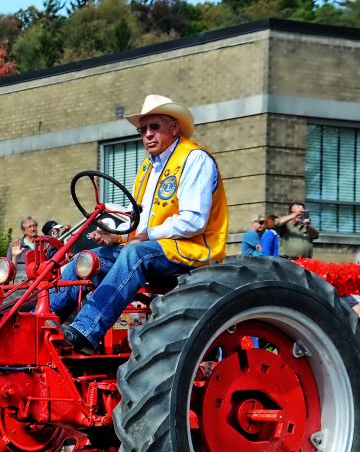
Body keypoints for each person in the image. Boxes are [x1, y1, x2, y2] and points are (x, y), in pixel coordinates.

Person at [49, 94, 228, 354]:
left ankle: (87, 329)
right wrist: (117, 237)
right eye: (142, 129)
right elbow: (140, 221)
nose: (147, 135)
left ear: (174, 127)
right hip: (155, 249)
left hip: (192, 251)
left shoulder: (194, 159)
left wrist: (142, 237)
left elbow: (194, 221)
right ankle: (42, 322)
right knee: (86, 260)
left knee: (135, 253)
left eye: (154, 127)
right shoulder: (147, 168)